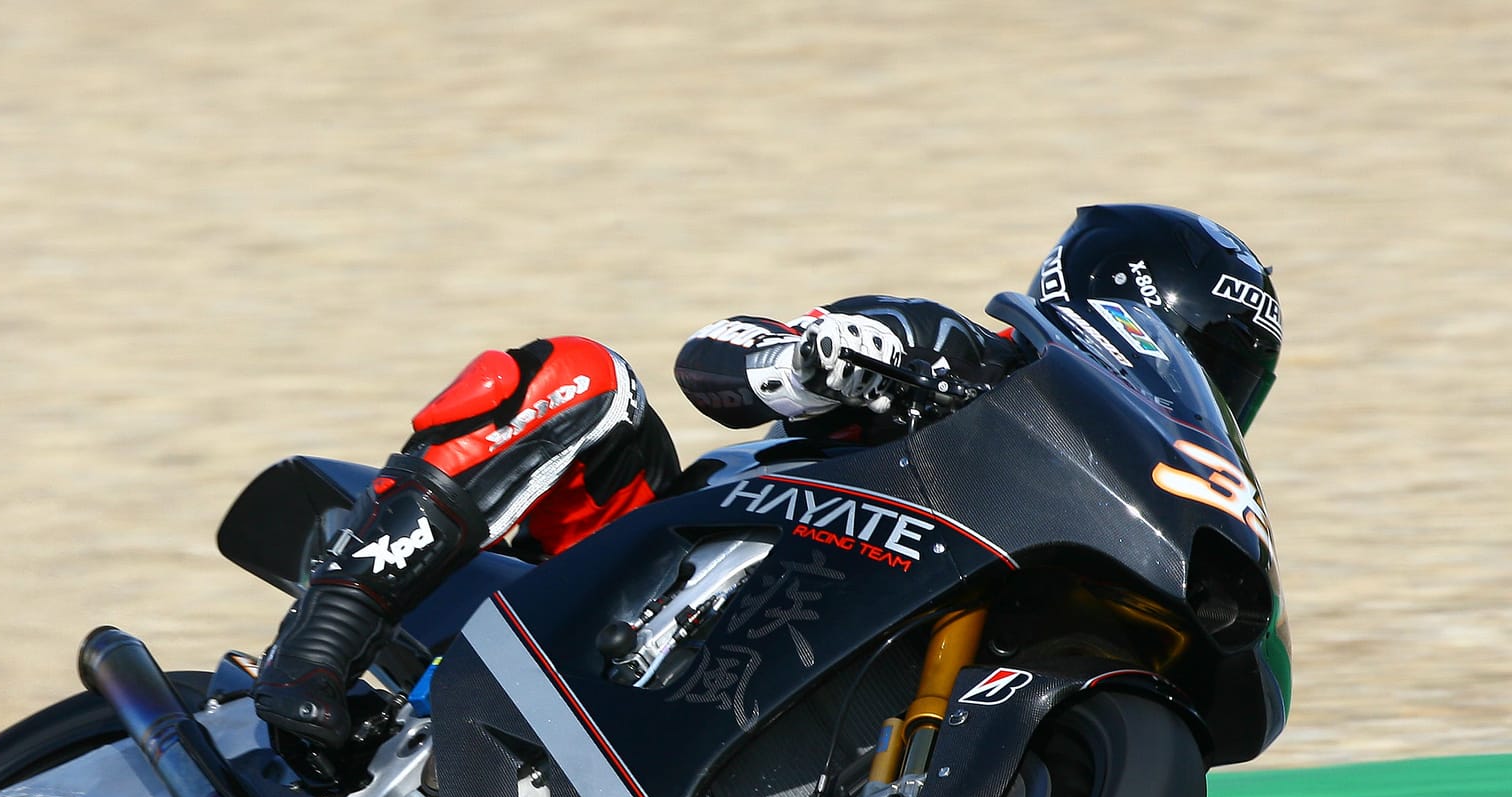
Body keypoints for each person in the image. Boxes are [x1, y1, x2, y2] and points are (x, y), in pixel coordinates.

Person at [252, 203, 1281, 754]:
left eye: (1231, 371)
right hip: (628, 592)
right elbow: (716, 355)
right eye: (1208, 348)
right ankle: (327, 636)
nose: (1209, 379)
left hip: (734, 705)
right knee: (584, 377)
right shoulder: (955, 362)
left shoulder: (1104, 507)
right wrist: (813, 359)